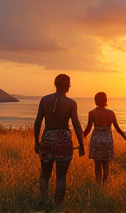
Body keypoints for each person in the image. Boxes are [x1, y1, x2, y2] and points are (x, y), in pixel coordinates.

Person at [34, 74, 85, 205]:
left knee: (45, 174)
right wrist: (81, 144)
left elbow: (38, 122)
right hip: (63, 141)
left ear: (55, 84)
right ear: (68, 85)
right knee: (61, 177)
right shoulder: (71, 103)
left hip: (47, 139)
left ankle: (44, 201)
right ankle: (57, 205)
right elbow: (76, 124)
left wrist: (37, 142)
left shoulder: (44, 100)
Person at [83, 92, 126, 183]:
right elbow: (118, 128)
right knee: (106, 165)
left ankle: (98, 184)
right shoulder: (111, 113)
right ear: (106, 100)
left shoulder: (92, 113)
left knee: (97, 165)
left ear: (95, 101)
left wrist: (81, 139)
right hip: (107, 140)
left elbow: (88, 129)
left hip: (96, 140)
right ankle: (104, 183)